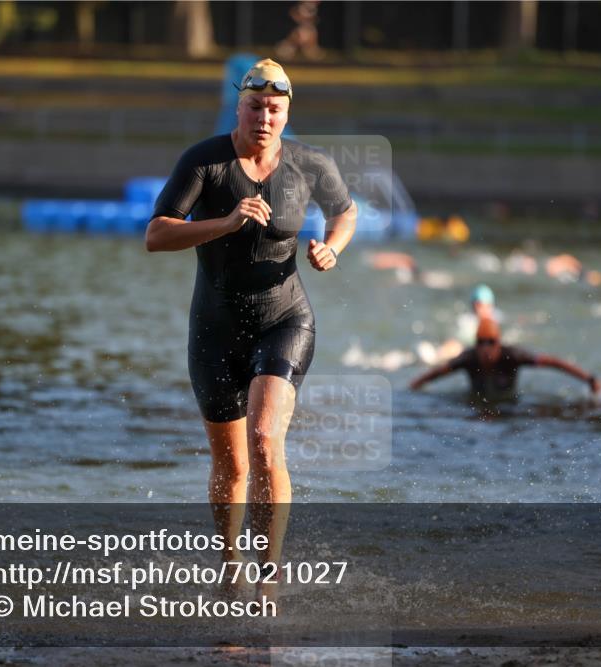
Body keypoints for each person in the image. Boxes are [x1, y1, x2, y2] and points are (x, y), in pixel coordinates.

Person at [145, 58, 357, 600]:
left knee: (265, 440)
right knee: (233, 464)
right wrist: (226, 222)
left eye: (275, 109)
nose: (264, 117)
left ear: (287, 114)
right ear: (239, 107)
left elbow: (345, 211)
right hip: (214, 328)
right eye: (255, 107)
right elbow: (157, 235)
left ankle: (269, 576)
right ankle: (230, 564)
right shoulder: (205, 161)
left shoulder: (310, 164)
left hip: (284, 318)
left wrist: (331, 247)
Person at [410, 318, 601, 402]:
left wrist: (588, 379)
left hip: (508, 404)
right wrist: (414, 386)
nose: (485, 348)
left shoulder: (512, 356)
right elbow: (436, 373)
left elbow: (553, 362)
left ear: (499, 343)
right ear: (475, 344)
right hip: (477, 404)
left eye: (491, 342)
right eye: (481, 343)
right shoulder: (468, 358)